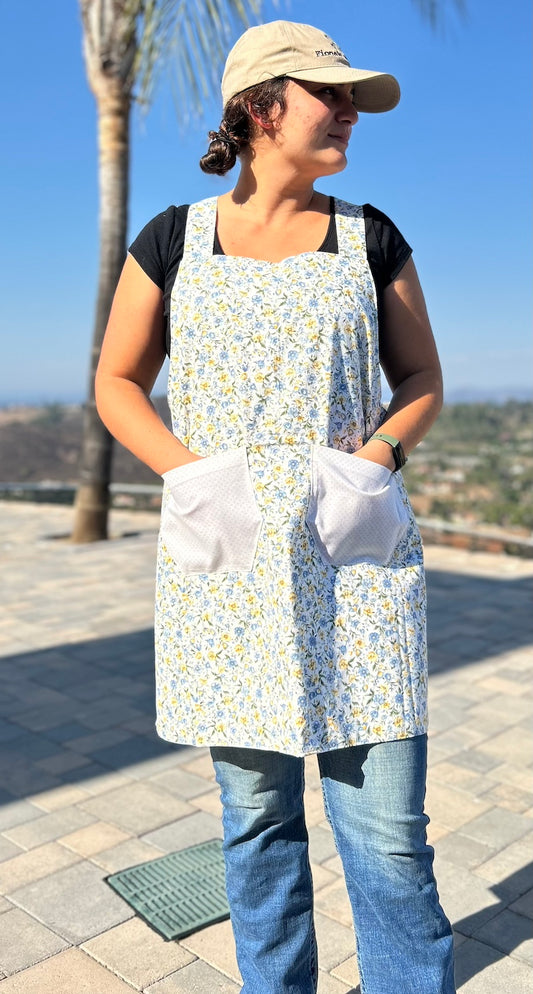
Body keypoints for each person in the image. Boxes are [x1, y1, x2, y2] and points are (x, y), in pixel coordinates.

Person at [95, 19, 456, 994]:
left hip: (360, 566)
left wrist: (376, 457)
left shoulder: (368, 236)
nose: (345, 109)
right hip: (230, 568)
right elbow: (118, 382)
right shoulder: (171, 238)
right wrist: (192, 477)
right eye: (325, 93)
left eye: (348, 97)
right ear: (258, 109)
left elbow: (419, 375)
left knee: (384, 835)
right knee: (255, 826)